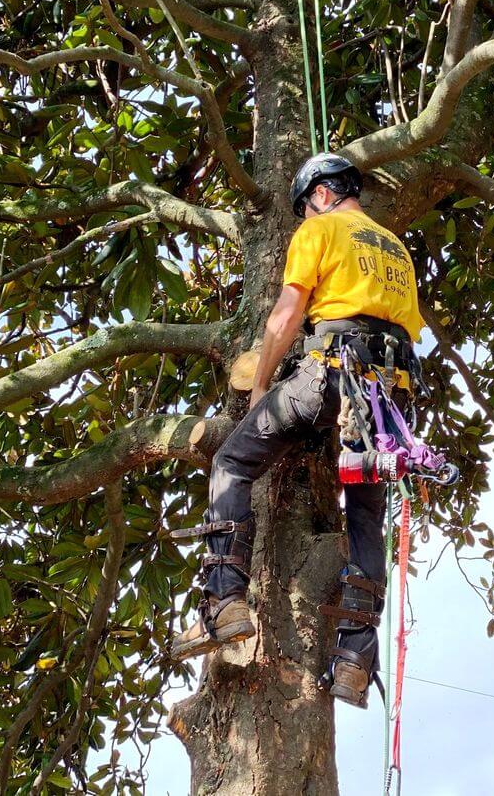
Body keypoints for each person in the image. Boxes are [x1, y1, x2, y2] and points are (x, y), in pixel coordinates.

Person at [171, 153, 425, 708]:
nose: (305, 216)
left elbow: (287, 316)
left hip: (333, 373)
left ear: (322, 194)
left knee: (232, 463)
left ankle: (225, 604)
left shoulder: (321, 230)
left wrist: (260, 384)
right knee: (364, 511)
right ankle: (355, 659)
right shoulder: (396, 250)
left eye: (305, 206)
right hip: (389, 400)